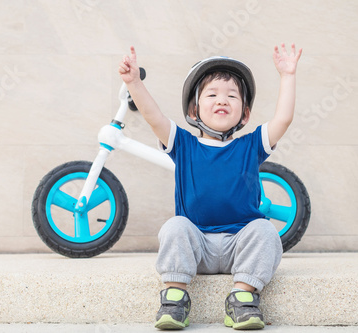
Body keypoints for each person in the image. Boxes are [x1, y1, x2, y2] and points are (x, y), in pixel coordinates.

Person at [118, 44, 302, 330]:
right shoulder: (183, 144)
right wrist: (134, 83)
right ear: (194, 109)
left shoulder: (250, 145)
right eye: (212, 95)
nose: (222, 100)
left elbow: (283, 119)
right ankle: (175, 297)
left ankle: (242, 297)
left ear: (245, 114)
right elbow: (154, 117)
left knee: (265, 230)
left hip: (240, 245)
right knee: (175, 226)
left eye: (232, 96)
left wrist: (287, 76)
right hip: (197, 245)